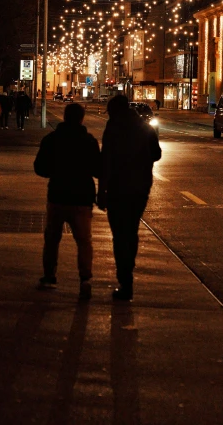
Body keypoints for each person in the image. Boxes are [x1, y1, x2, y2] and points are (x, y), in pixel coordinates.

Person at [34, 102, 101, 299]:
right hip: (82, 198)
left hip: (58, 195)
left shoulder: (51, 139)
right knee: (84, 241)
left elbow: (40, 168)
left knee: (52, 239)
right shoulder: (89, 141)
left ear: (64, 117)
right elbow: (98, 169)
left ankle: (49, 277)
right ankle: (85, 279)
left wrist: (55, 171)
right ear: (82, 118)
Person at [98, 94, 162, 301]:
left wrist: (101, 192)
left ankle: (124, 279)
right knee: (131, 229)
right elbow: (157, 154)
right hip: (140, 187)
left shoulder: (113, 128)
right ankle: (128, 270)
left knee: (119, 233)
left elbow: (105, 161)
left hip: (117, 188)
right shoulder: (145, 127)